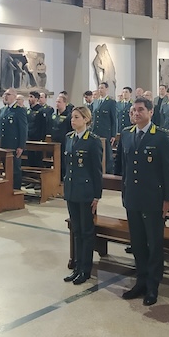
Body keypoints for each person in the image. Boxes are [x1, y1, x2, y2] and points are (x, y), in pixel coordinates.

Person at [114, 97, 169, 306]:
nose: (136, 113)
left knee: (154, 243)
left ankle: (152, 285)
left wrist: (167, 199)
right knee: (138, 243)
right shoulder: (127, 134)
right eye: (133, 110)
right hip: (133, 197)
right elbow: (124, 167)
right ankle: (140, 281)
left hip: (153, 198)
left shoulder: (161, 137)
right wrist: (124, 192)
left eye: (140, 110)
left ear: (150, 112)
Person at [62, 106, 103, 286]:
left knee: (86, 232)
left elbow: (96, 171)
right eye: (72, 117)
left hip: (86, 192)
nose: (73, 120)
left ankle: (86, 269)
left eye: (77, 117)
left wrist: (97, 195)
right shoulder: (69, 138)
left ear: (86, 119)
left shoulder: (92, 141)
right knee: (76, 231)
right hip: (72, 190)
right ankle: (77, 267)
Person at [0, 88, 28, 190]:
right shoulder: (3, 110)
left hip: (14, 145)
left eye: (8, 94)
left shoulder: (19, 110)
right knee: (6, 168)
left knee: (15, 169)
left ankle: (16, 189)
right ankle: (7, 189)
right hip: (4, 144)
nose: (5, 96)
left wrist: (21, 146)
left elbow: (23, 129)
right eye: (5, 94)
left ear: (14, 97)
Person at [91, 82, 118, 174]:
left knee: (106, 154)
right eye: (99, 88)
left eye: (102, 88)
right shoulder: (96, 102)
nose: (100, 90)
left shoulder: (111, 102)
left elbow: (114, 119)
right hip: (96, 131)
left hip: (106, 131)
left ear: (107, 89)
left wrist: (113, 134)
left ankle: (108, 171)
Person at [26, 91, 48, 168]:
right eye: (29, 97)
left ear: (36, 99)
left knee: (37, 160)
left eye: (31, 97)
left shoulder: (41, 110)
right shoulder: (28, 110)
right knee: (30, 158)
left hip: (37, 138)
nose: (29, 99)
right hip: (29, 137)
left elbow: (44, 126)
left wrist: (42, 138)